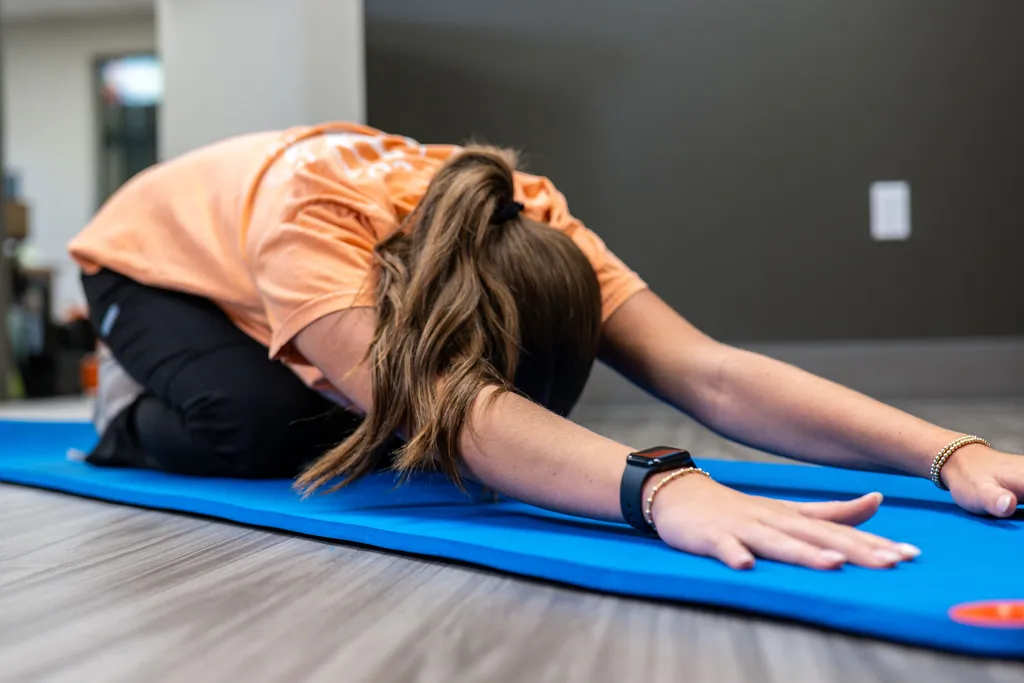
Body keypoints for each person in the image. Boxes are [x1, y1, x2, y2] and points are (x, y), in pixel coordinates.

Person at [69, 122, 1023, 572]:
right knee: (263, 423)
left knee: (369, 426)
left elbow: (713, 373)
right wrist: (663, 486)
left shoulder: (541, 227)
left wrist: (948, 451)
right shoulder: (310, 224)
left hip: (304, 280)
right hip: (150, 263)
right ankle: (125, 405)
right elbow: (445, 408)